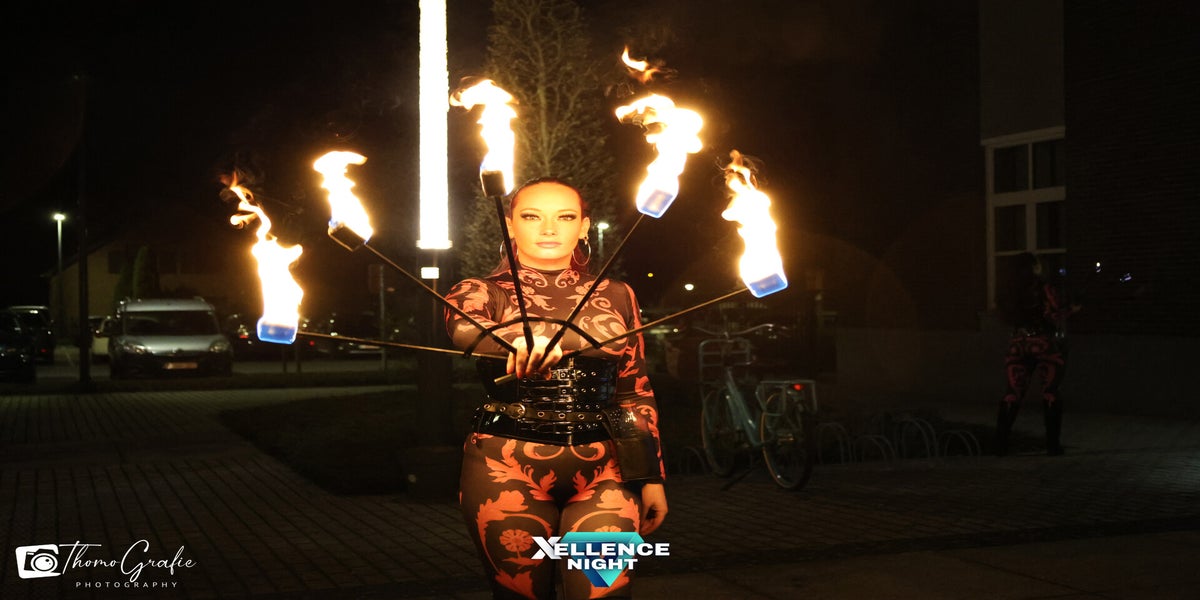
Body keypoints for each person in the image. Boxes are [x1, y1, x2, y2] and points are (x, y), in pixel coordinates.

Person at [445, 178, 667, 599]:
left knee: (604, 594)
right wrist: (517, 341)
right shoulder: (480, 291)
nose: (549, 228)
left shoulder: (617, 294)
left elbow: (634, 391)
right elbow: (466, 331)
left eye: (565, 217)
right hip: (503, 467)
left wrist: (651, 475)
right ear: (510, 224)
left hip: (608, 471)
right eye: (532, 216)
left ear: (584, 226)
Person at [994, 252, 1080, 456]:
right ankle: (1052, 445)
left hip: (1018, 343)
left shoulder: (1008, 290)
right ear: (1033, 267)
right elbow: (1056, 311)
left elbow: (1004, 316)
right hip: (1043, 342)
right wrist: (1073, 309)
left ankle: (1000, 444)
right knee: (1050, 391)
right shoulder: (1042, 287)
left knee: (1012, 392)